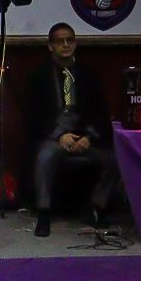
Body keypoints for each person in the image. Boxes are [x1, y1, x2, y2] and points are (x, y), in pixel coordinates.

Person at [25, 22, 121, 237]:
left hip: (84, 135)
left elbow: (101, 112)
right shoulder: (38, 76)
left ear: (75, 43)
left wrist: (89, 137)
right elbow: (33, 116)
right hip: (54, 136)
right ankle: (43, 213)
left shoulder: (88, 74)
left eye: (70, 40)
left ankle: (97, 205)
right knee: (44, 157)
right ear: (50, 46)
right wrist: (59, 136)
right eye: (60, 41)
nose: (66, 45)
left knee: (116, 159)